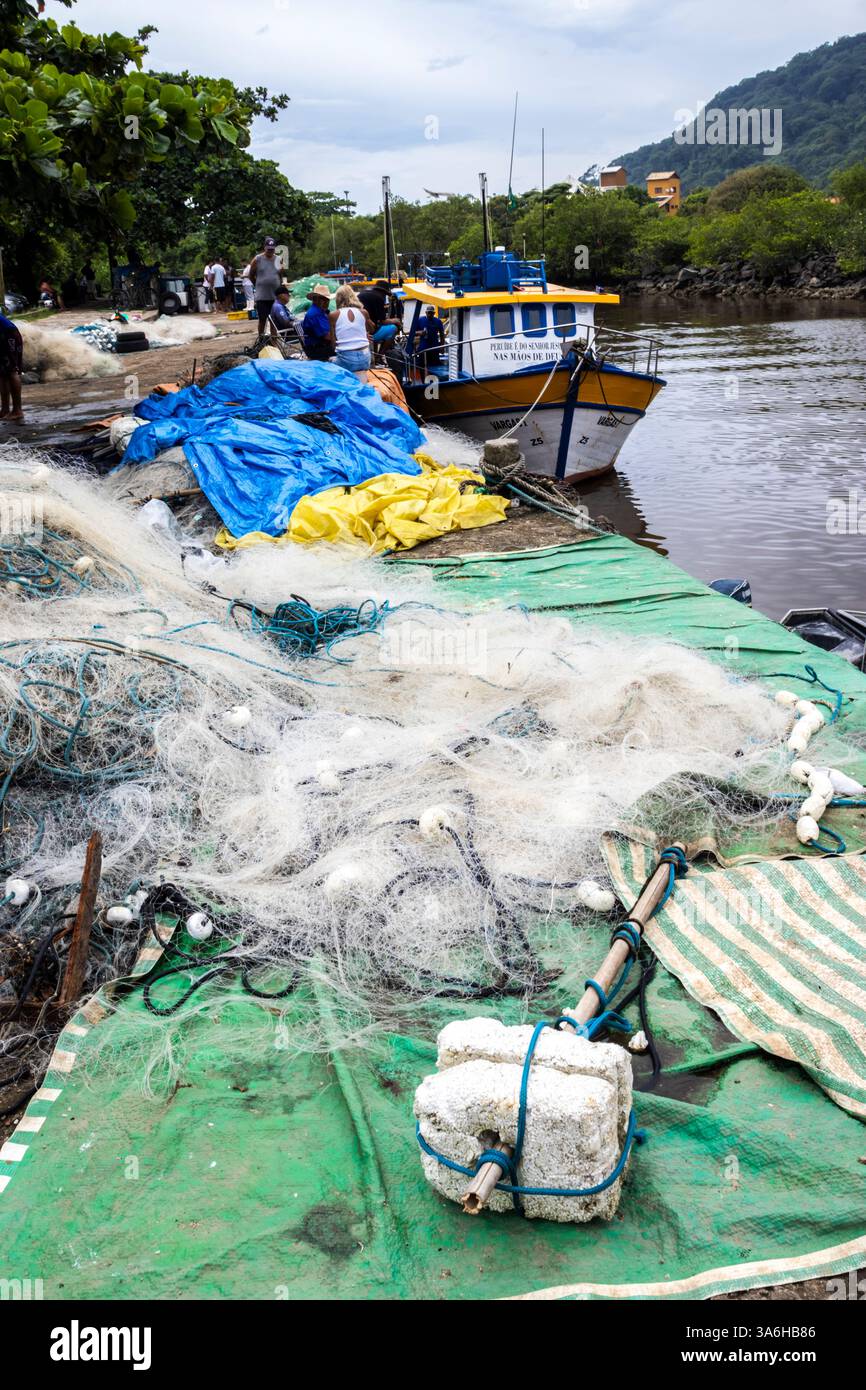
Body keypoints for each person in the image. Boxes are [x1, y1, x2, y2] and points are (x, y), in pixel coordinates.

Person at [329, 285, 374, 380]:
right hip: (365, 360)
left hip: (347, 361)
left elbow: (333, 345)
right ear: (353, 296)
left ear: (337, 299)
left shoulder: (333, 315)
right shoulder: (364, 312)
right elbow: (372, 329)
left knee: (330, 361)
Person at [248, 236, 283, 340]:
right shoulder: (257, 259)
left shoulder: (278, 259)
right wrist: (258, 285)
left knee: (274, 320)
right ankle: (261, 339)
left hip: (274, 295)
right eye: (268, 249)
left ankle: (274, 340)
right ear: (264, 248)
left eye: (272, 249)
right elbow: (251, 275)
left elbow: (280, 275)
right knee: (262, 319)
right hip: (262, 296)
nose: (270, 251)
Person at [357, 279, 402, 350]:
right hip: (369, 333)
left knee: (375, 326)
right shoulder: (379, 298)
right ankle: (380, 355)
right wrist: (395, 321)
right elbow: (382, 321)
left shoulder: (362, 293)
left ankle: (376, 354)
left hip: (359, 331)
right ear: (383, 292)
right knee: (394, 328)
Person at [0, 312, 24, 423]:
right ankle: (5, 410)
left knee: (11, 372)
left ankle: (17, 411)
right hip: (5, 336)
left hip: (8, 335)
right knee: (2, 374)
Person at [300, 284, 334, 360]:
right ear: (317, 299)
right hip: (317, 349)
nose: (327, 302)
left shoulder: (321, 311)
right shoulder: (316, 314)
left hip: (319, 346)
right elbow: (327, 337)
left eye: (327, 300)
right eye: (324, 299)